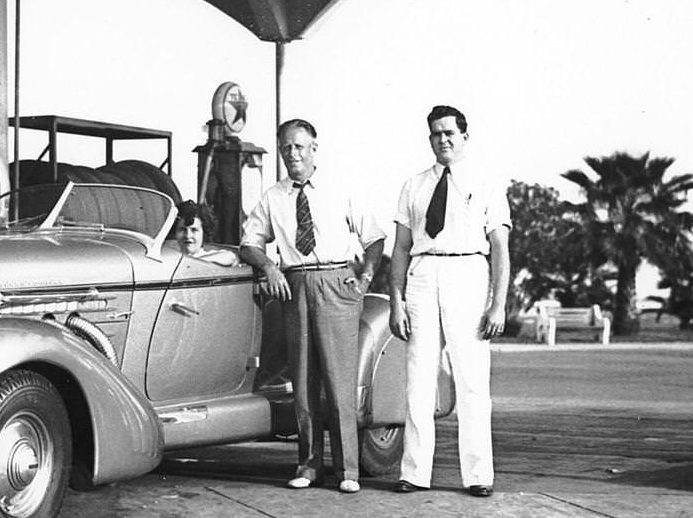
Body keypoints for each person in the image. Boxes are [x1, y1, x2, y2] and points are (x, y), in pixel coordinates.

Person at [240, 118, 384, 494]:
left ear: (314, 149)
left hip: (337, 283)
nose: (293, 154)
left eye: (299, 147)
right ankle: (308, 465)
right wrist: (269, 265)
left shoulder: (340, 189)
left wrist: (364, 279)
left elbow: (375, 239)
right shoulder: (274, 196)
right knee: (303, 382)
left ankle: (348, 469)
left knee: (339, 383)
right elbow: (249, 243)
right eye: (286, 148)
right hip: (296, 283)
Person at [389, 105, 511, 497]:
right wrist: (396, 300)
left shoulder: (487, 182)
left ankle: (478, 476)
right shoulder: (414, 185)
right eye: (436, 133)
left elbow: (500, 249)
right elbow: (401, 247)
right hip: (423, 276)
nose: (443, 139)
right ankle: (414, 472)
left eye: (450, 133)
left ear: (464, 137)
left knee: (472, 381)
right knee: (418, 379)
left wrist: (498, 303)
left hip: (468, 274)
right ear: (429, 139)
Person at [173, 199, 238, 265]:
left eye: (194, 230)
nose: (188, 235)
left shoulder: (211, 255)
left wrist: (194, 263)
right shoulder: (170, 257)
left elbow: (231, 257)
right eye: (182, 230)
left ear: (204, 232)